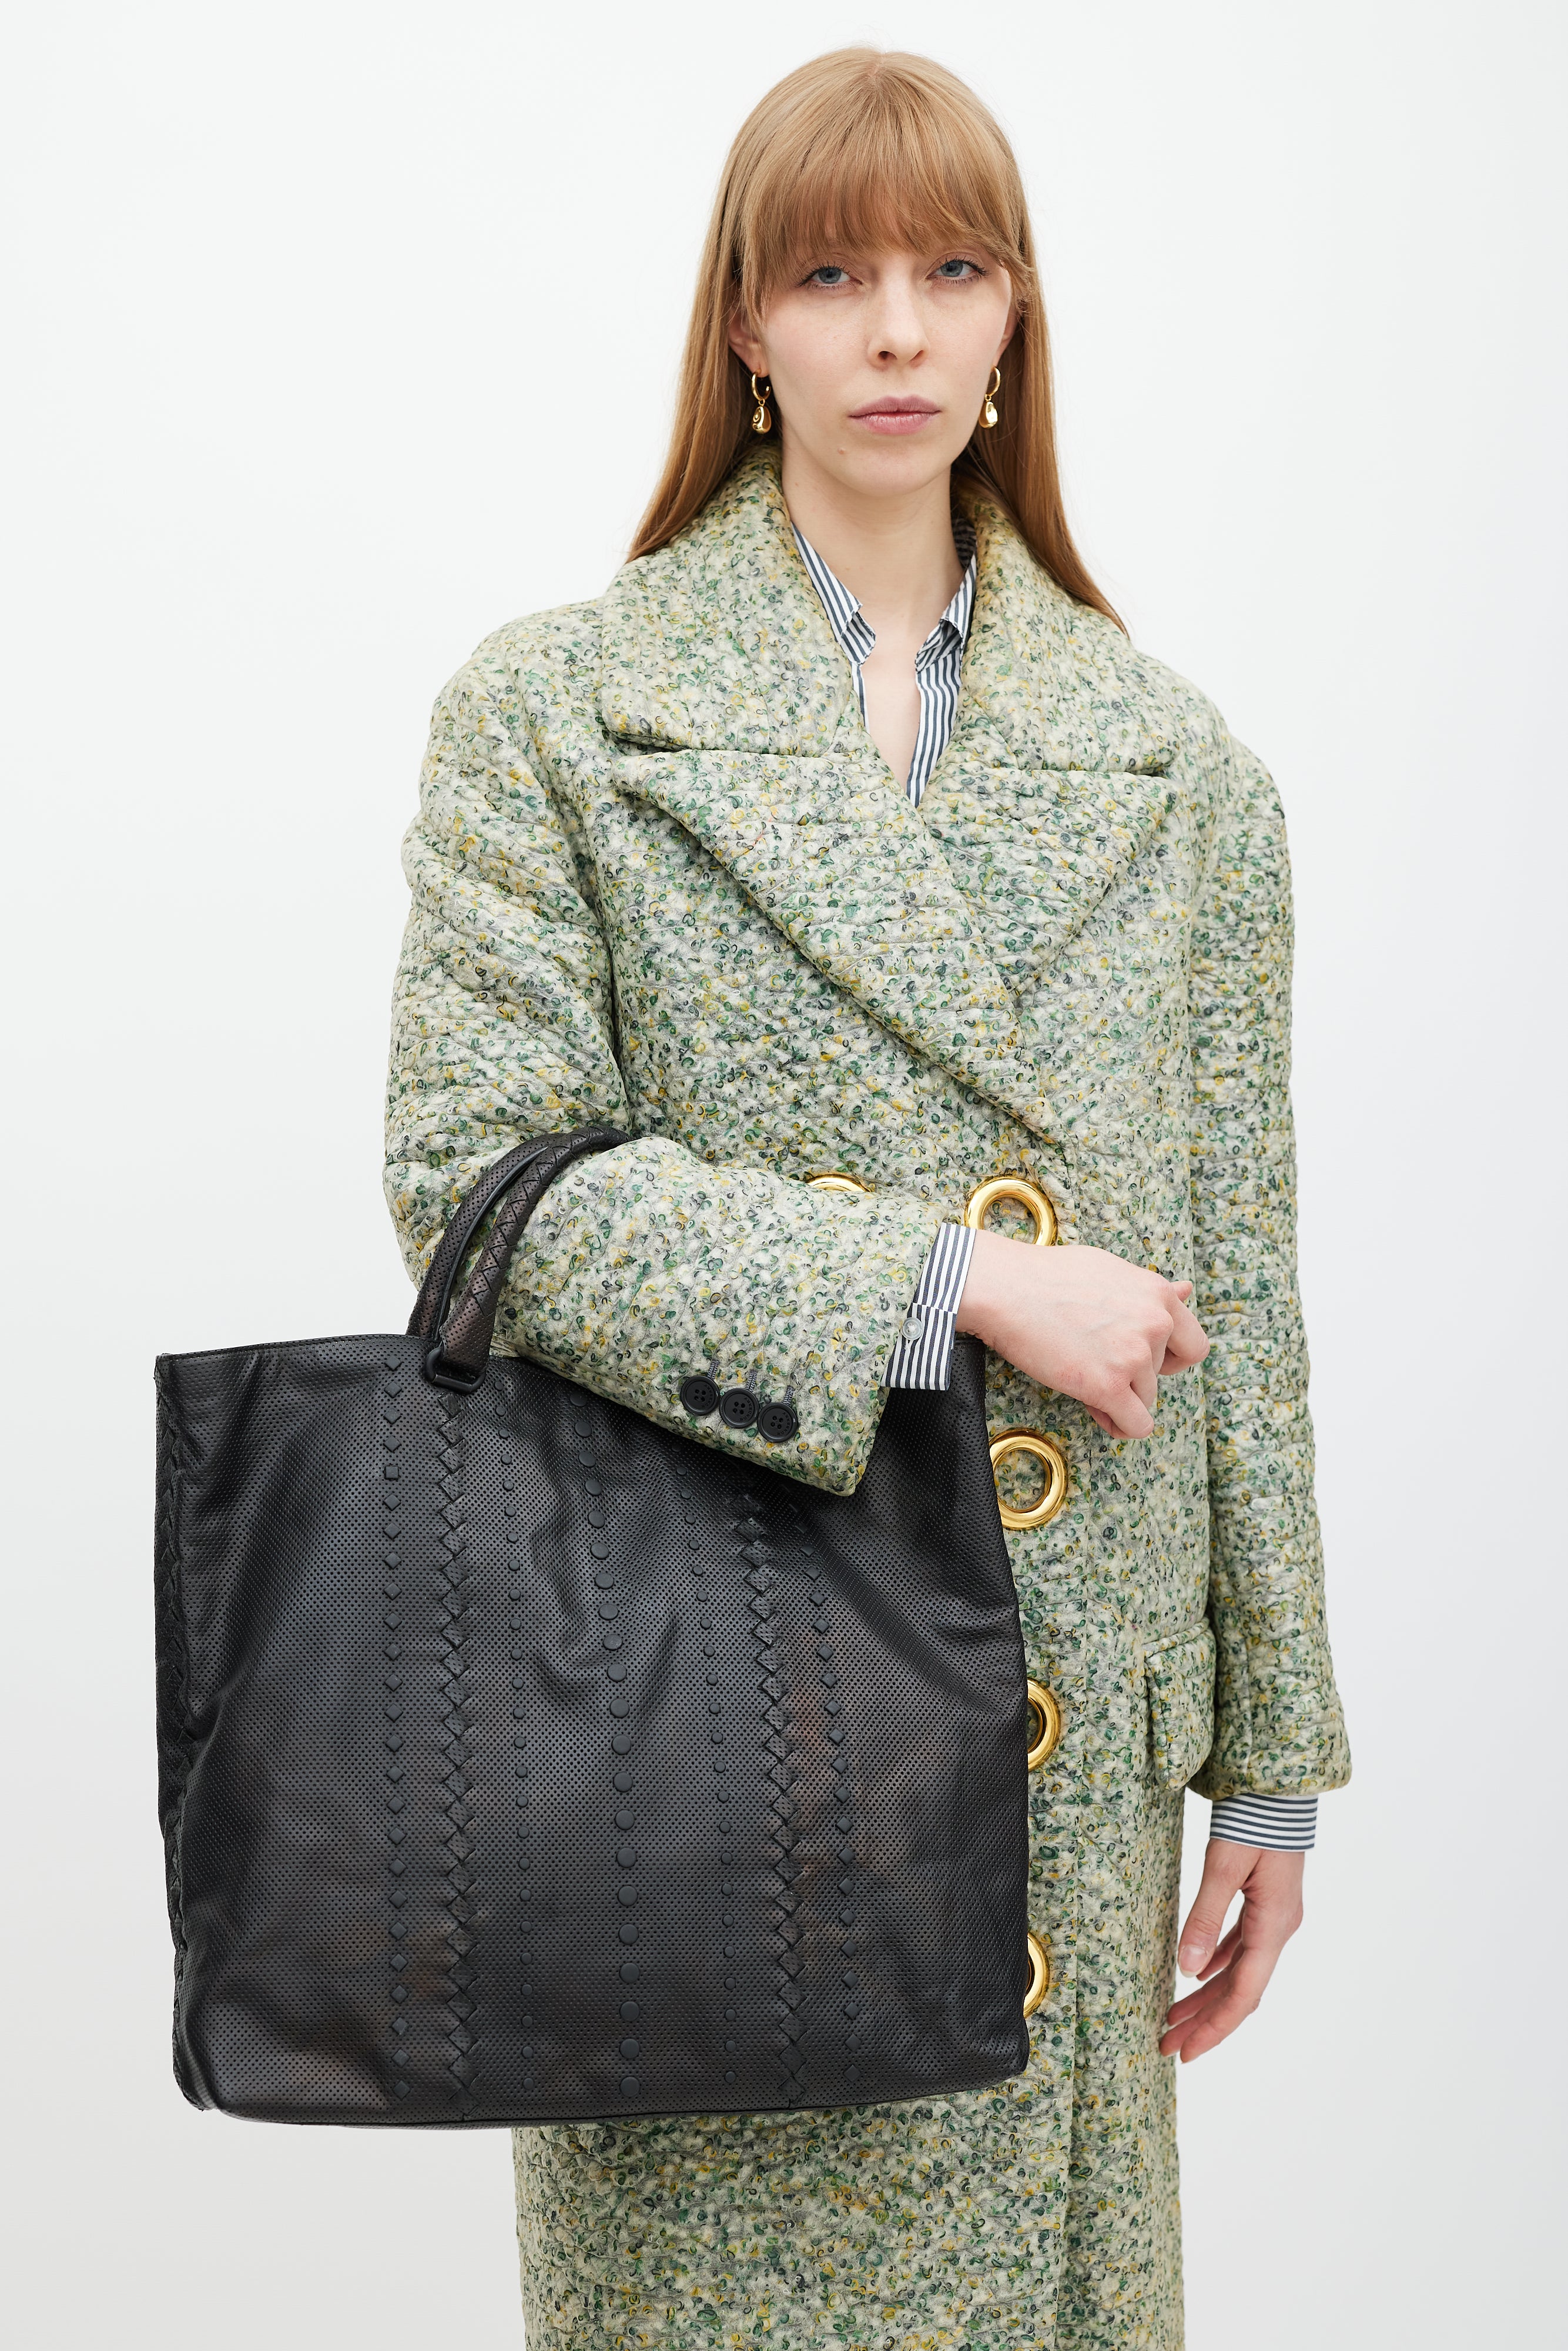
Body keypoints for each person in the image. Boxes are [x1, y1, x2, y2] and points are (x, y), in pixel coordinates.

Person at [384, 45, 1349, 2351]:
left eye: (951, 270)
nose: (895, 331)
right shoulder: (560, 716)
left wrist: (1273, 1765)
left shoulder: (1180, 773)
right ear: (743, 324)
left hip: (1065, 1731)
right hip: (695, 1724)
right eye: (829, 276)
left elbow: (1242, 1280)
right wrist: (949, 1284)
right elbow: (473, 1186)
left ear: (1016, 318)